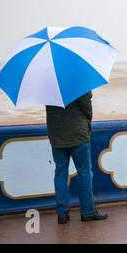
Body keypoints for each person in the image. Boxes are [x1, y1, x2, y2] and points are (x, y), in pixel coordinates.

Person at [46, 91, 107, 224]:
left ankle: (62, 213)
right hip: (78, 134)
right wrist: (88, 121)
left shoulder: (47, 83)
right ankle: (87, 211)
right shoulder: (79, 79)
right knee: (84, 172)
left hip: (57, 135)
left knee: (60, 172)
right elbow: (86, 106)